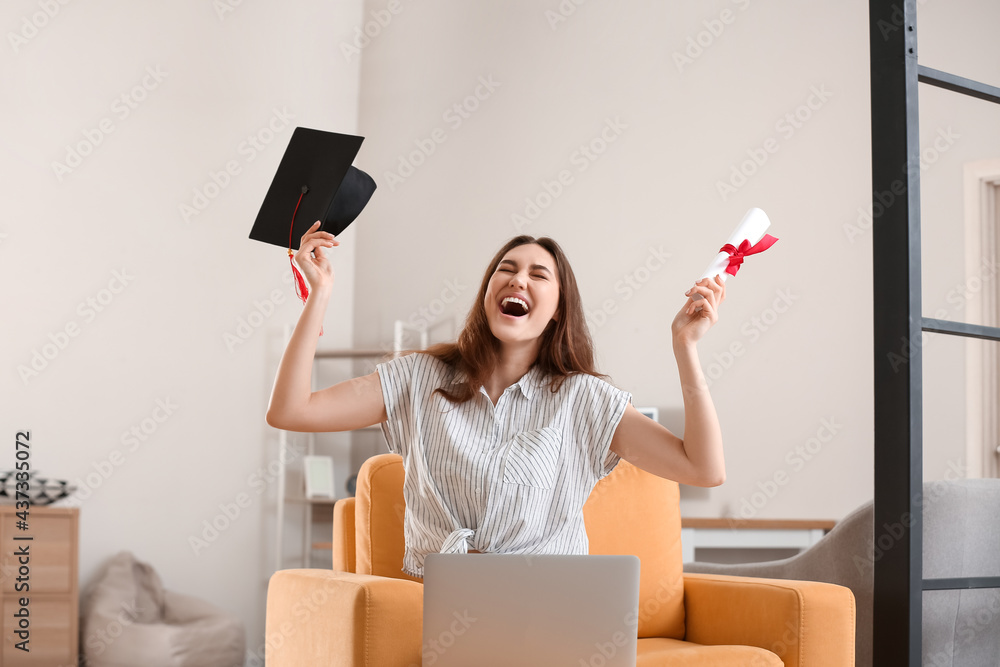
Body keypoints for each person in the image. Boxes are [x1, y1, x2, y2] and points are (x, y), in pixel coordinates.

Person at [266, 222, 726, 577]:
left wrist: (685, 348)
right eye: (505, 270)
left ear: (558, 310)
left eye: (537, 274)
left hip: (549, 609)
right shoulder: (418, 378)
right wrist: (319, 295)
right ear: (487, 295)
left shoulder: (583, 399)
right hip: (443, 610)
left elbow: (703, 470)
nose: (517, 280)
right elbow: (290, 410)